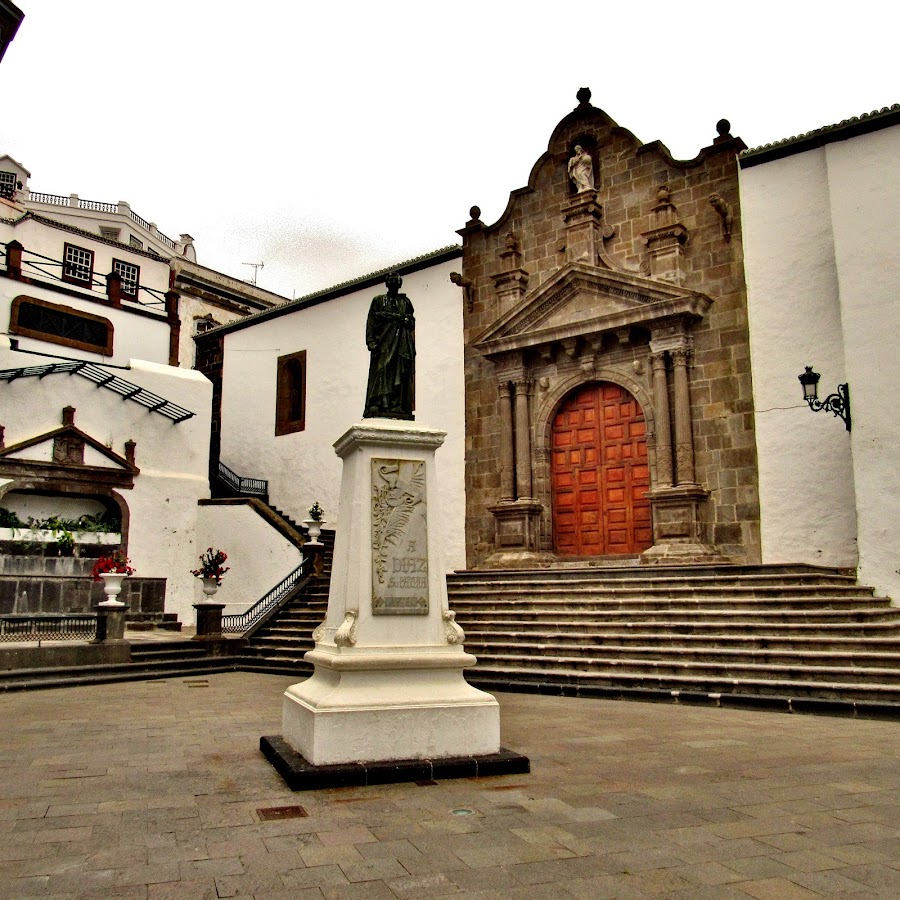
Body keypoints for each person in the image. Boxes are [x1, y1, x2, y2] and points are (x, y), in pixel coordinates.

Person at [363, 272, 415, 419]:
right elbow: (371, 322)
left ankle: (396, 404)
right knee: (382, 369)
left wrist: (406, 320)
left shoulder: (405, 302)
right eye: (391, 281)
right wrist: (370, 341)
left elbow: (411, 321)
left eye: (396, 282)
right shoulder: (378, 300)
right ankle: (378, 402)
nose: (394, 284)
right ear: (387, 284)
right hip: (383, 342)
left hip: (401, 343)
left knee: (400, 371)